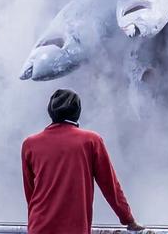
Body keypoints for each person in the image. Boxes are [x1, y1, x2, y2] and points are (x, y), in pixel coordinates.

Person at [21, 89, 145, 234]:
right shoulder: (91, 141)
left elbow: (30, 191)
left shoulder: (30, 144)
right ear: (77, 111)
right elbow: (110, 186)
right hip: (74, 229)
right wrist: (128, 219)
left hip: (38, 227)